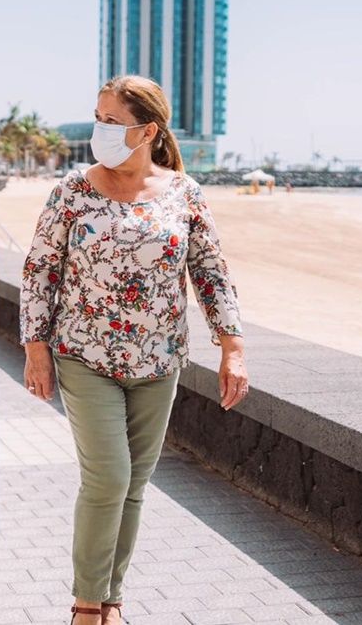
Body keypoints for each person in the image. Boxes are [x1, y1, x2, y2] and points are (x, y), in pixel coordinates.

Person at [20, 75, 248, 625]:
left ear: (147, 130)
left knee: (134, 486)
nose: (99, 130)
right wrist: (36, 349)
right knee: (108, 478)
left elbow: (210, 272)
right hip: (85, 355)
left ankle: (111, 599)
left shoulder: (183, 193)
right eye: (96, 117)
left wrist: (232, 347)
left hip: (159, 360)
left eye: (111, 121)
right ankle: (85, 606)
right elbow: (39, 270)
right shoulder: (73, 191)